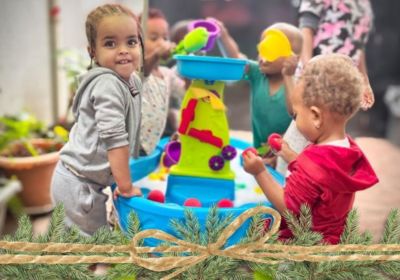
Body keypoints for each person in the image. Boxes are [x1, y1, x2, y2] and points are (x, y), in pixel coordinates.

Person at [243, 54, 379, 244]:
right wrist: (288, 153)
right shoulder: (347, 148)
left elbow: (289, 209)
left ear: (316, 116)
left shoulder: (316, 161)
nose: (295, 120)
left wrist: (259, 172)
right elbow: (317, 178)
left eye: (296, 114)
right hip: (331, 239)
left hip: (302, 245)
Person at [50, 4, 143, 236]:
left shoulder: (131, 81)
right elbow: (115, 140)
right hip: (79, 186)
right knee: (91, 252)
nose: (123, 50)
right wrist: (126, 186)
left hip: (83, 181)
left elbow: (133, 123)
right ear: (93, 52)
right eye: (110, 43)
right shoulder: (107, 84)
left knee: (93, 245)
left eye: (131, 41)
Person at [276, 0, 375, 174]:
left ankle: (326, 186)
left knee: (334, 139)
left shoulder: (364, 4)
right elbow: (306, 29)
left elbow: (359, 46)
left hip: (344, 84)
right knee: (304, 131)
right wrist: (308, 71)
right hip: (319, 77)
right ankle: (286, 184)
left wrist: (364, 80)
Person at [216, 21, 303, 155]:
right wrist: (223, 35)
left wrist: (288, 75)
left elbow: (298, 115)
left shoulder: (297, 83)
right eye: (263, 50)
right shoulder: (258, 73)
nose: (263, 58)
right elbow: (237, 61)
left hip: (287, 155)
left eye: (272, 51)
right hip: (259, 152)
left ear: (293, 57)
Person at [139, 8, 185, 154]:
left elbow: (186, 93)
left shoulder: (167, 75)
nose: (161, 42)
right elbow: (142, 73)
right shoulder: (134, 71)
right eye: (153, 38)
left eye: (165, 38)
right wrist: (156, 55)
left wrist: (190, 62)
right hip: (133, 147)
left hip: (153, 147)